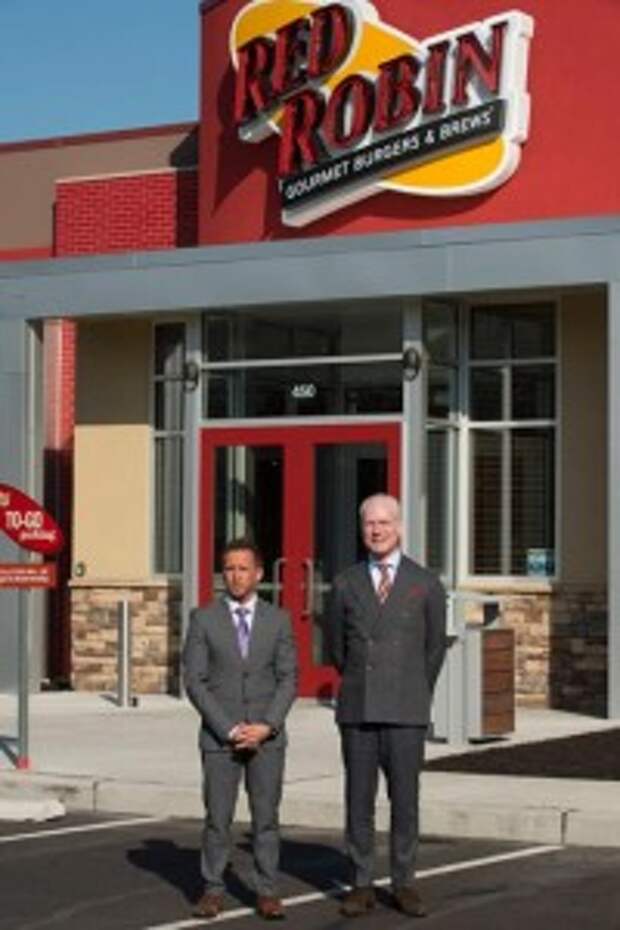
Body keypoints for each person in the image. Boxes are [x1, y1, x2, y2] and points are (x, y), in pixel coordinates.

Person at [327, 494, 447, 918]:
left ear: (399, 526)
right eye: (369, 524)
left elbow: (434, 649)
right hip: (358, 709)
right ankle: (360, 882)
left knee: (405, 800)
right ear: (362, 529)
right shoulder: (345, 583)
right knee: (358, 801)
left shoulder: (425, 583)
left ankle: (404, 882)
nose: (376, 530)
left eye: (384, 523)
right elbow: (337, 649)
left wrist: (412, 689)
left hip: (406, 709)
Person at [183, 538, 297, 921]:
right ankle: (213, 889)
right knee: (218, 819)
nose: (235, 576)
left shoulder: (278, 620)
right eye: (229, 568)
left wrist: (267, 725)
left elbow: (288, 678)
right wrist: (228, 728)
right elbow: (195, 681)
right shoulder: (203, 619)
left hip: (267, 739)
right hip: (220, 739)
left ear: (259, 573)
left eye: (243, 568)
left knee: (266, 819)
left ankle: (267, 890)